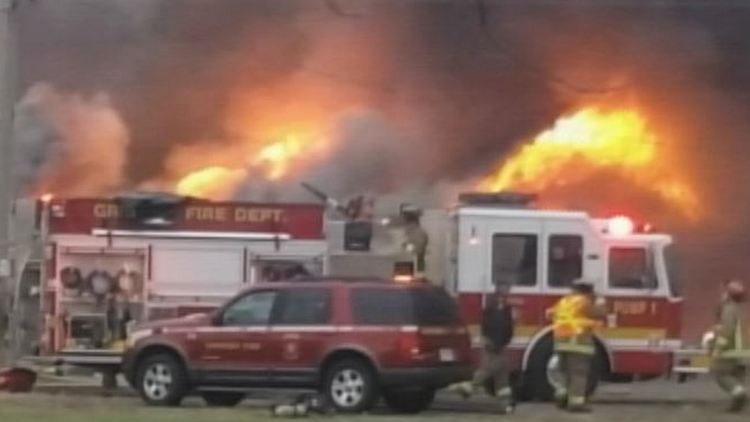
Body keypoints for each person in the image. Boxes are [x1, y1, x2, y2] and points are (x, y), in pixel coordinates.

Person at [454, 284, 515, 414]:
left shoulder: (507, 310)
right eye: (503, 295)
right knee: (491, 368)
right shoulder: (490, 310)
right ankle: (470, 386)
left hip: (502, 345)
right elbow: (485, 326)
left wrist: (506, 341)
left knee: (502, 376)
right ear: (498, 295)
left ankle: (506, 404)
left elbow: (509, 327)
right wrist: (488, 340)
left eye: (505, 295)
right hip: (490, 344)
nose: (505, 297)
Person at [548, 279, 606, 413]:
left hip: (561, 343)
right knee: (578, 374)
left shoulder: (564, 301)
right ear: (588, 291)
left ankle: (561, 399)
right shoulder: (583, 302)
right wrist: (600, 300)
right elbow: (600, 313)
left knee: (564, 373)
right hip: (577, 344)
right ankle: (576, 404)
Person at [709, 279, 750, 412]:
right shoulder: (743, 309)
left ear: (728, 294)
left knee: (721, 373)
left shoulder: (729, 309)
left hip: (730, 350)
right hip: (744, 351)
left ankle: (740, 394)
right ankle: (738, 403)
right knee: (738, 376)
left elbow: (727, 331)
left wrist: (718, 348)